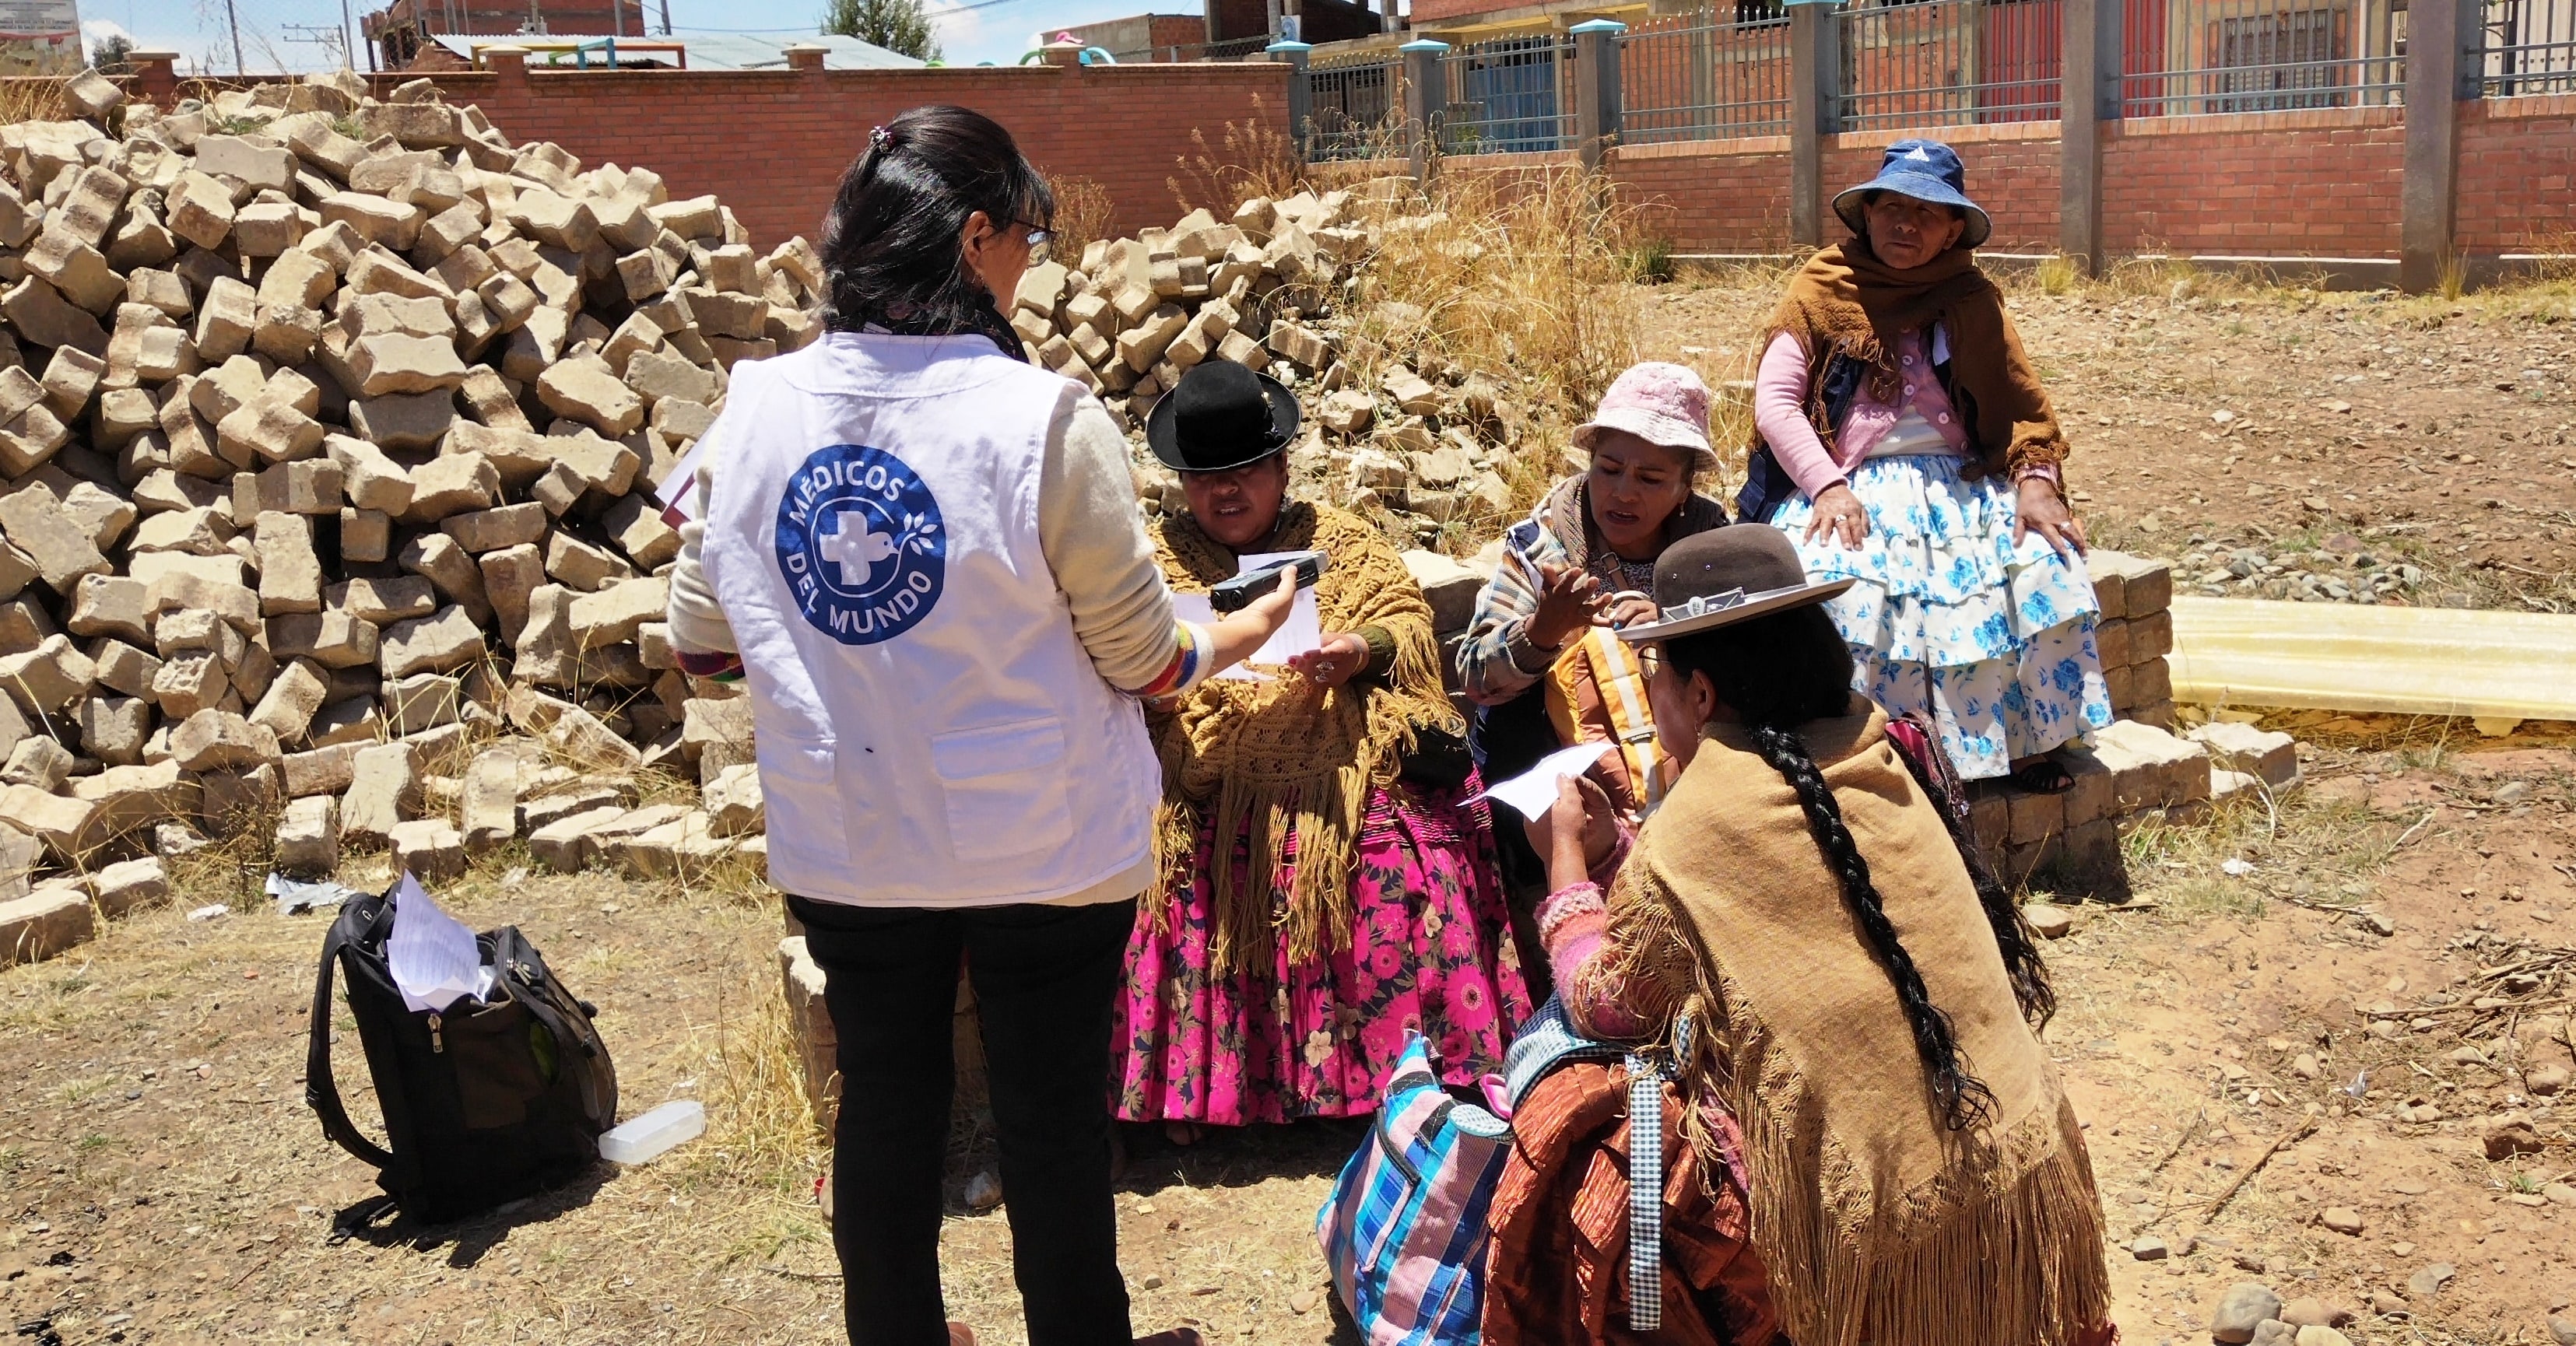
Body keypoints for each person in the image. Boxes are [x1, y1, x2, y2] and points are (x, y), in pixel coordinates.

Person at [662, 106, 1297, 1346]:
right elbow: (1143, 657)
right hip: (1041, 844)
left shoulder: (751, 409)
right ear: (973, 236)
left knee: (885, 1102)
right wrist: (1233, 633)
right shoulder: (1039, 419)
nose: (1033, 257)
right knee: (1050, 1113)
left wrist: (854, 653)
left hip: (853, 834)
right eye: (1029, 233)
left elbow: (699, 636)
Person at [1488, 527, 2115, 1346]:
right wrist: (1621, 850)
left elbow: (1609, 1004)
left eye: (1658, 680)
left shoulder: (1707, 816)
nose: (1655, 698)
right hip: (2020, 1175)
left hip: (1891, 1233)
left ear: (1702, 695)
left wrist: (1568, 862)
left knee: (1581, 1110)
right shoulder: (1877, 749)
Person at [1113, 360, 1532, 1141]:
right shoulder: (1153, 561)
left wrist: (1357, 648)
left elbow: (1405, 624)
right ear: (1180, 483)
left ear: (1280, 468)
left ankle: (1418, 1076)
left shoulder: (1337, 541)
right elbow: (1130, 659)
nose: (1226, 492)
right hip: (1205, 758)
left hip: (1335, 741)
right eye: (1205, 479)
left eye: (1244, 472)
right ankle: (1203, 1096)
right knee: (1173, 859)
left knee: (1405, 851)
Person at [1746, 138, 2111, 790]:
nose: (1905, 225)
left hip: (1959, 483)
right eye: (1891, 207)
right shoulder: (1823, 287)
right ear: (1867, 215)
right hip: (1846, 483)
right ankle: (1872, 750)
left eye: (1927, 213)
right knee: (1844, 589)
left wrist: (2036, 483)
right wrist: (1826, 487)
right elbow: (1776, 404)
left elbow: (2022, 406)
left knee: (2040, 572)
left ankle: (2012, 744)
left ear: (1951, 232)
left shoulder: (1970, 296)